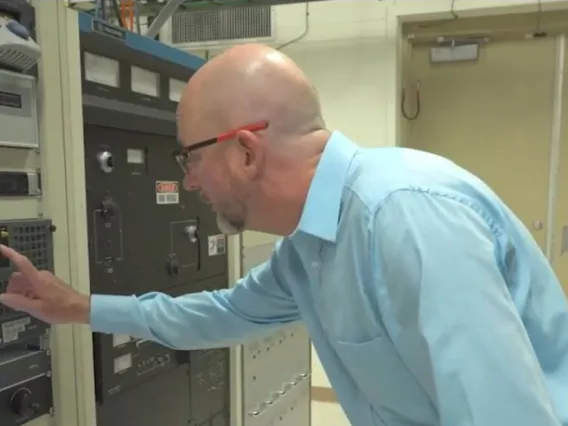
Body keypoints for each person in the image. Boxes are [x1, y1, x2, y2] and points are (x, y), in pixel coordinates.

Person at [0, 43, 567, 426]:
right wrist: (77, 307)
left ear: (245, 151)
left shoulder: (403, 216)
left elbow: (505, 414)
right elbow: (214, 314)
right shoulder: (309, 247)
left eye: (189, 157)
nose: (188, 180)